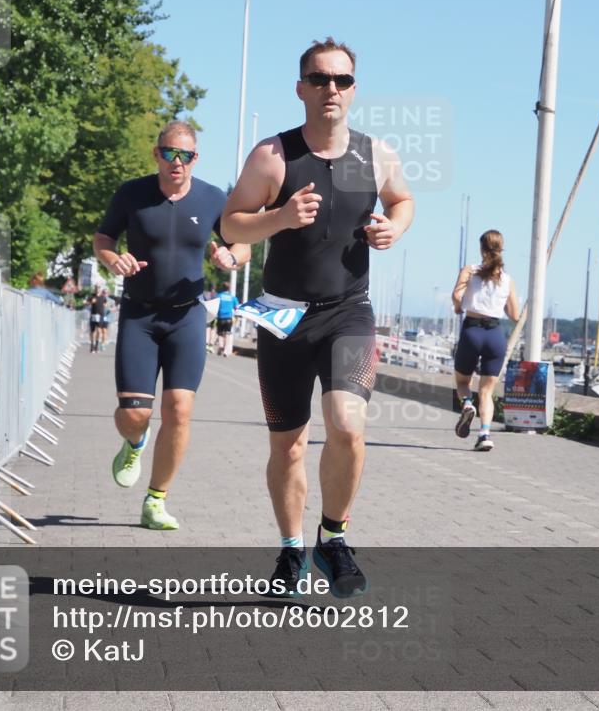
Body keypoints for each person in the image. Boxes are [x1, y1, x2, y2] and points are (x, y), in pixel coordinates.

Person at [222, 38, 414, 596]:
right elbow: (232, 225)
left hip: (348, 312)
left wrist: (394, 228)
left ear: (354, 89)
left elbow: (402, 200)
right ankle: (289, 553)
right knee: (288, 445)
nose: (333, 89)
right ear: (301, 87)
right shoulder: (273, 156)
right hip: (282, 317)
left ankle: (333, 537)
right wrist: (279, 217)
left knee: (349, 427)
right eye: (321, 79)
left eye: (343, 80)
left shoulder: (375, 155)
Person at [93, 120, 249, 530]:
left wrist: (231, 258)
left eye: (186, 155)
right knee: (134, 415)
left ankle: (156, 500)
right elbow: (103, 239)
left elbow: (243, 241)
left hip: (187, 316)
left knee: (179, 410)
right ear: (156, 153)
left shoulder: (214, 198)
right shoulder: (132, 194)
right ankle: (134, 442)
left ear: (196, 158)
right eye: (169, 153)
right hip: (139, 315)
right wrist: (114, 260)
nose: (177, 162)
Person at [450, 230, 520, 451]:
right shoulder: (507, 280)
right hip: (494, 335)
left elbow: (456, 296)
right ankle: (484, 435)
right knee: (487, 391)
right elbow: (514, 315)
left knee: (463, 383)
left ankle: (468, 405)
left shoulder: (470, 271)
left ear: (481, 248)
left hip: (472, 331)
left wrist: (458, 306)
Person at [214, 281, 240, 357]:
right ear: (229, 288)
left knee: (220, 333)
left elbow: (215, 306)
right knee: (228, 334)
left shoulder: (219, 296)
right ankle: (226, 350)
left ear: (222, 288)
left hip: (220, 317)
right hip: (229, 318)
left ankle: (221, 346)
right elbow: (236, 307)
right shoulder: (233, 297)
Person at [88, 287, 109, 353]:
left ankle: (97, 346)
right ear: (95, 290)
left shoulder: (103, 297)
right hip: (93, 315)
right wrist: (91, 302)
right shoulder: (92, 296)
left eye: (99, 289)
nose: (97, 290)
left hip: (100, 316)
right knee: (92, 331)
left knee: (99, 331)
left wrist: (106, 305)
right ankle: (92, 345)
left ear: (100, 290)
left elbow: (106, 304)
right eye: (96, 289)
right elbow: (87, 303)